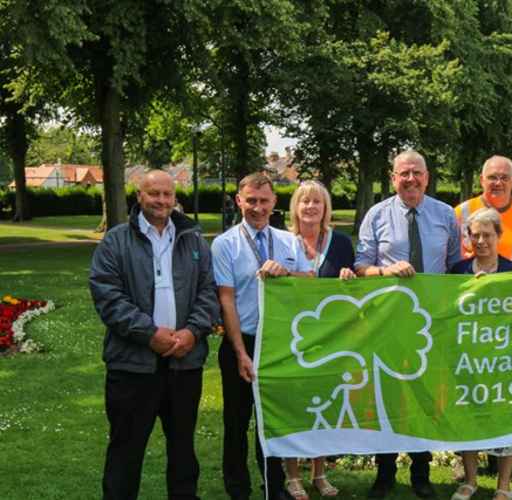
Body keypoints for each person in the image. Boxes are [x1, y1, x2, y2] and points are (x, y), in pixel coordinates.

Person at [89, 170, 218, 500]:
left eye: (167, 194)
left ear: (176, 198)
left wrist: (191, 333)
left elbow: (208, 291)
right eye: (153, 194)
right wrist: (149, 334)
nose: (161, 201)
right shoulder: (116, 241)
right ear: (139, 197)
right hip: (132, 366)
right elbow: (108, 295)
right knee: (125, 452)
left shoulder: (193, 239)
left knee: (183, 451)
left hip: (184, 364)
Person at [355, 150, 461, 499]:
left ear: (428, 177)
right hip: (388, 323)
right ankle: (385, 473)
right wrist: (385, 271)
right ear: (393, 177)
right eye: (404, 173)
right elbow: (361, 267)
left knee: (424, 399)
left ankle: (421, 472)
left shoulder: (446, 215)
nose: (411, 179)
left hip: (433, 324)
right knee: (388, 396)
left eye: (417, 173)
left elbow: (456, 269)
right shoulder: (376, 215)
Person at [211, 173, 313, 500]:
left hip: (279, 345)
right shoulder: (225, 244)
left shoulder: (289, 242)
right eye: (250, 200)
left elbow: (309, 283)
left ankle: (273, 485)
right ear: (239, 201)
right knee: (237, 422)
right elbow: (225, 299)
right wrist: (240, 352)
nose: (257, 207)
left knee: (271, 421)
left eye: (263, 201)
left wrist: (288, 273)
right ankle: (238, 488)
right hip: (241, 342)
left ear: (274, 203)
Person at [283, 180, 356, 500]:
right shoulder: (283, 242)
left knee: (324, 408)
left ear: (326, 208)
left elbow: (354, 291)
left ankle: (319, 473)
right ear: (295, 208)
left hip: (330, 338)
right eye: (304, 201)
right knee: (293, 407)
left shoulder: (340, 243)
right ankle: (293, 476)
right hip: (290, 336)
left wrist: (349, 278)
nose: (311, 207)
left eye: (317, 202)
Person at [448, 208, 512, 500]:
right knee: (469, 417)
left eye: (487, 235)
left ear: (499, 236)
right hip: (468, 358)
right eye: (474, 235)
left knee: (505, 419)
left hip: (503, 359)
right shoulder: (457, 271)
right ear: (467, 238)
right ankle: (470, 481)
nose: (481, 240)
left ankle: (504, 486)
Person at [455, 155, 512, 260]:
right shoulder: (460, 212)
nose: (498, 183)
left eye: (504, 178)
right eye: (492, 177)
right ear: (482, 180)